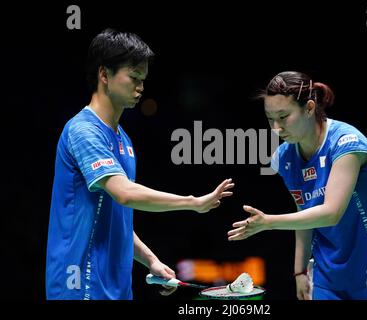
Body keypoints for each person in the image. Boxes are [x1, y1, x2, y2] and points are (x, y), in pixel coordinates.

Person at [46, 28, 234, 300]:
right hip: (78, 285)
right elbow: (125, 194)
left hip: (118, 288)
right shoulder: (83, 131)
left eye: (143, 79)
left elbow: (116, 220)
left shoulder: (125, 141)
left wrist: (151, 260)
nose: (141, 87)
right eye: (134, 77)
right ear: (104, 75)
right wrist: (193, 202)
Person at [227, 71, 367, 300]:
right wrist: (299, 271)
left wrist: (269, 222)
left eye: (284, 116)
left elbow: (331, 213)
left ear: (309, 108)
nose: (276, 128)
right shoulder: (284, 158)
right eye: (270, 118)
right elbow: (304, 213)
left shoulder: (346, 143)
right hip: (330, 278)